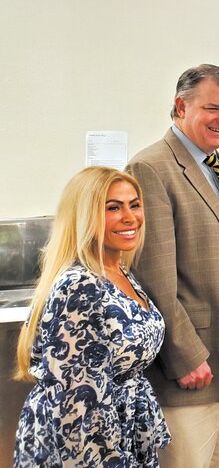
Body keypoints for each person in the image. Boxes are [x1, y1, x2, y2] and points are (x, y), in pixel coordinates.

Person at [126, 64, 219, 468]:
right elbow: (151, 279)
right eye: (213, 108)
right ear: (180, 107)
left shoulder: (214, 164)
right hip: (191, 369)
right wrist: (184, 356)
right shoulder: (151, 168)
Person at [14, 167, 170, 467]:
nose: (130, 217)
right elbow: (76, 404)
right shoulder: (79, 285)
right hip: (85, 447)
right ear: (84, 215)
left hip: (118, 433)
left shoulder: (118, 270)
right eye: (113, 207)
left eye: (134, 205)